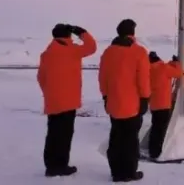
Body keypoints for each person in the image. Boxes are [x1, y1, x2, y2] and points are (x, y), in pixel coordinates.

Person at [37, 23, 97, 177]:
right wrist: (81, 31)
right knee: (64, 135)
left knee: (53, 133)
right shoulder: (73, 50)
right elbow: (92, 47)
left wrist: (49, 93)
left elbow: (41, 78)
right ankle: (61, 165)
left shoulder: (47, 53)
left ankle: (51, 166)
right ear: (68, 35)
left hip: (53, 101)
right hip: (69, 101)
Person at [99, 19, 150, 183]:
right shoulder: (139, 52)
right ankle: (129, 172)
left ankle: (116, 172)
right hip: (132, 105)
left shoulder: (108, 52)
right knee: (130, 140)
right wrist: (145, 98)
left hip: (113, 103)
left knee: (116, 138)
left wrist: (106, 96)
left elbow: (103, 78)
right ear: (133, 33)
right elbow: (143, 79)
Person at [147, 51, 181, 159]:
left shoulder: (147, 69)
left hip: (153, 104)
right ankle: (158, 151)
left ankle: (152, 150)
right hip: (164, 104)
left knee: (155, 127)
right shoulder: (164, 68)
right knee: (161, 129)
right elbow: (179, 73)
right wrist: (176, 63)